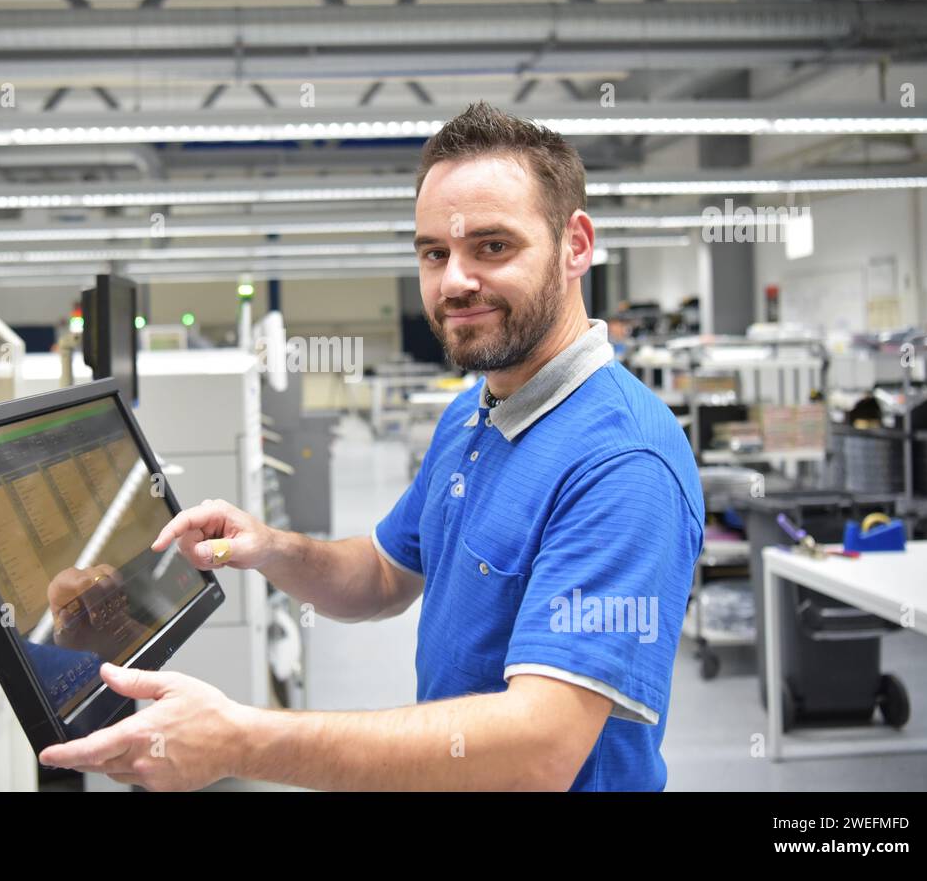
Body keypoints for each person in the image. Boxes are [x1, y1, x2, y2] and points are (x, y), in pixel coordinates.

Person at [40, 101, 705, 791]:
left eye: (493, 246)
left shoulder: (622, 463)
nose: (454, 281)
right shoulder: (472, 414)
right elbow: (385, 574)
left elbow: (539, 750)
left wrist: (242, 740)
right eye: (434, 253)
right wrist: (269, 546)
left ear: (575, 245)